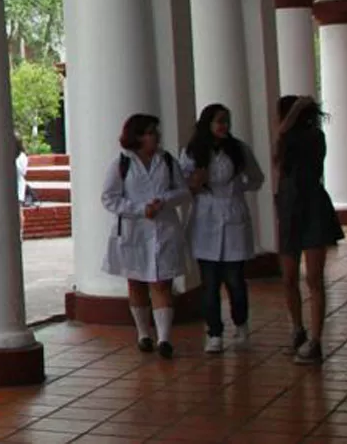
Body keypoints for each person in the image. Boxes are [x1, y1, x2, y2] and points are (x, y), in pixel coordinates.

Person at [102, 113, 191, 359]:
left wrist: (162, 202)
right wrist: (140, 209)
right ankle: (143, 333)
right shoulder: (122, 163)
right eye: (151, 132)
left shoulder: (168, 161)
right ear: (138, 136)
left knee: (162, 281)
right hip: (134, 230)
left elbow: (183, 192)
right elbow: (109, 198)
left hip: (164, 227)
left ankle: (164, 338)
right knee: (137, 280)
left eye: (156, 132)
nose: (156, 137)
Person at [179, 104, 265, 354]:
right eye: (218, 121)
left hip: (233, 214)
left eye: (226, 121)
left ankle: (241, 323)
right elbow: (182, 185)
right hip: (205, 217)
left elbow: (257, 178)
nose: (223, 126)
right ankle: (214, 332)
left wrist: (238, 189)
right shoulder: (193, 151)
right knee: (210, 282)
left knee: (236, 280)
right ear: (207, 123)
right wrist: (196, 183)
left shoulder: (238, 150)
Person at [274, 95, 344, 365]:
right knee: (288, 277)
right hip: (290, 207)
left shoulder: (315, 136)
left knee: (314, 278)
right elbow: (279, 151)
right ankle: (297, 329)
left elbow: (282, 133)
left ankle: (315, 340)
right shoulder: (284, 142)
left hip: (312, 205)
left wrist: (297, 109)